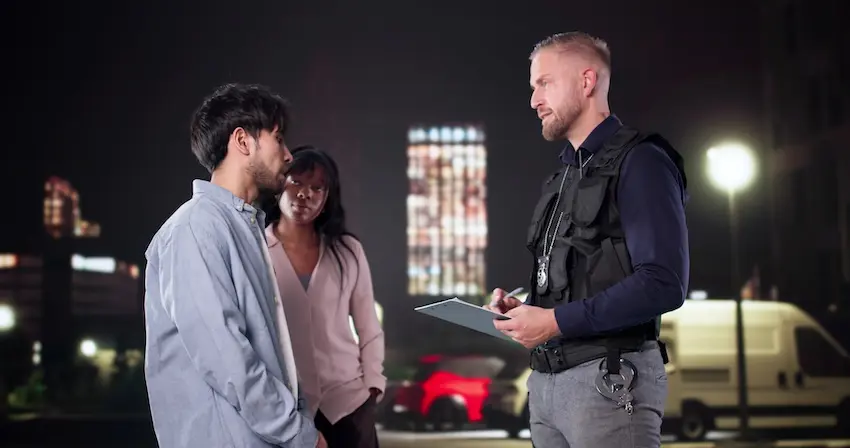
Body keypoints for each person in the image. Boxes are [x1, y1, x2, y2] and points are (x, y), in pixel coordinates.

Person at [486, 31, 689, 447]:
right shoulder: (563, 176)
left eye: (544, 83)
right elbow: (582, 279)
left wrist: (554, 322)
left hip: (610, 382)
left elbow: (664, 282)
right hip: (546, 386)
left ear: (586, 82)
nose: (533, 100)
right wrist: (528, 310)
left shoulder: (642, 162)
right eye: (533, 87)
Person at [143, 83, 326, 448]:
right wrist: (300, 434)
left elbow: (274, 357)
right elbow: (227, 358)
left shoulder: (244, 228)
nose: (289, 155)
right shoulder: (196, 229)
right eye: (278, 138)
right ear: (243, 141)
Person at [262, 146, 385, 448]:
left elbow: (369, 327)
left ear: (328, 197)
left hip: (349, 405)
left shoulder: (347, 251)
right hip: (288, 409)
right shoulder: (256, 249)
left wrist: (372, 387)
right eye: (297, 183)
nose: (306, 194)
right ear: (280, 184)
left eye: (318, 187)